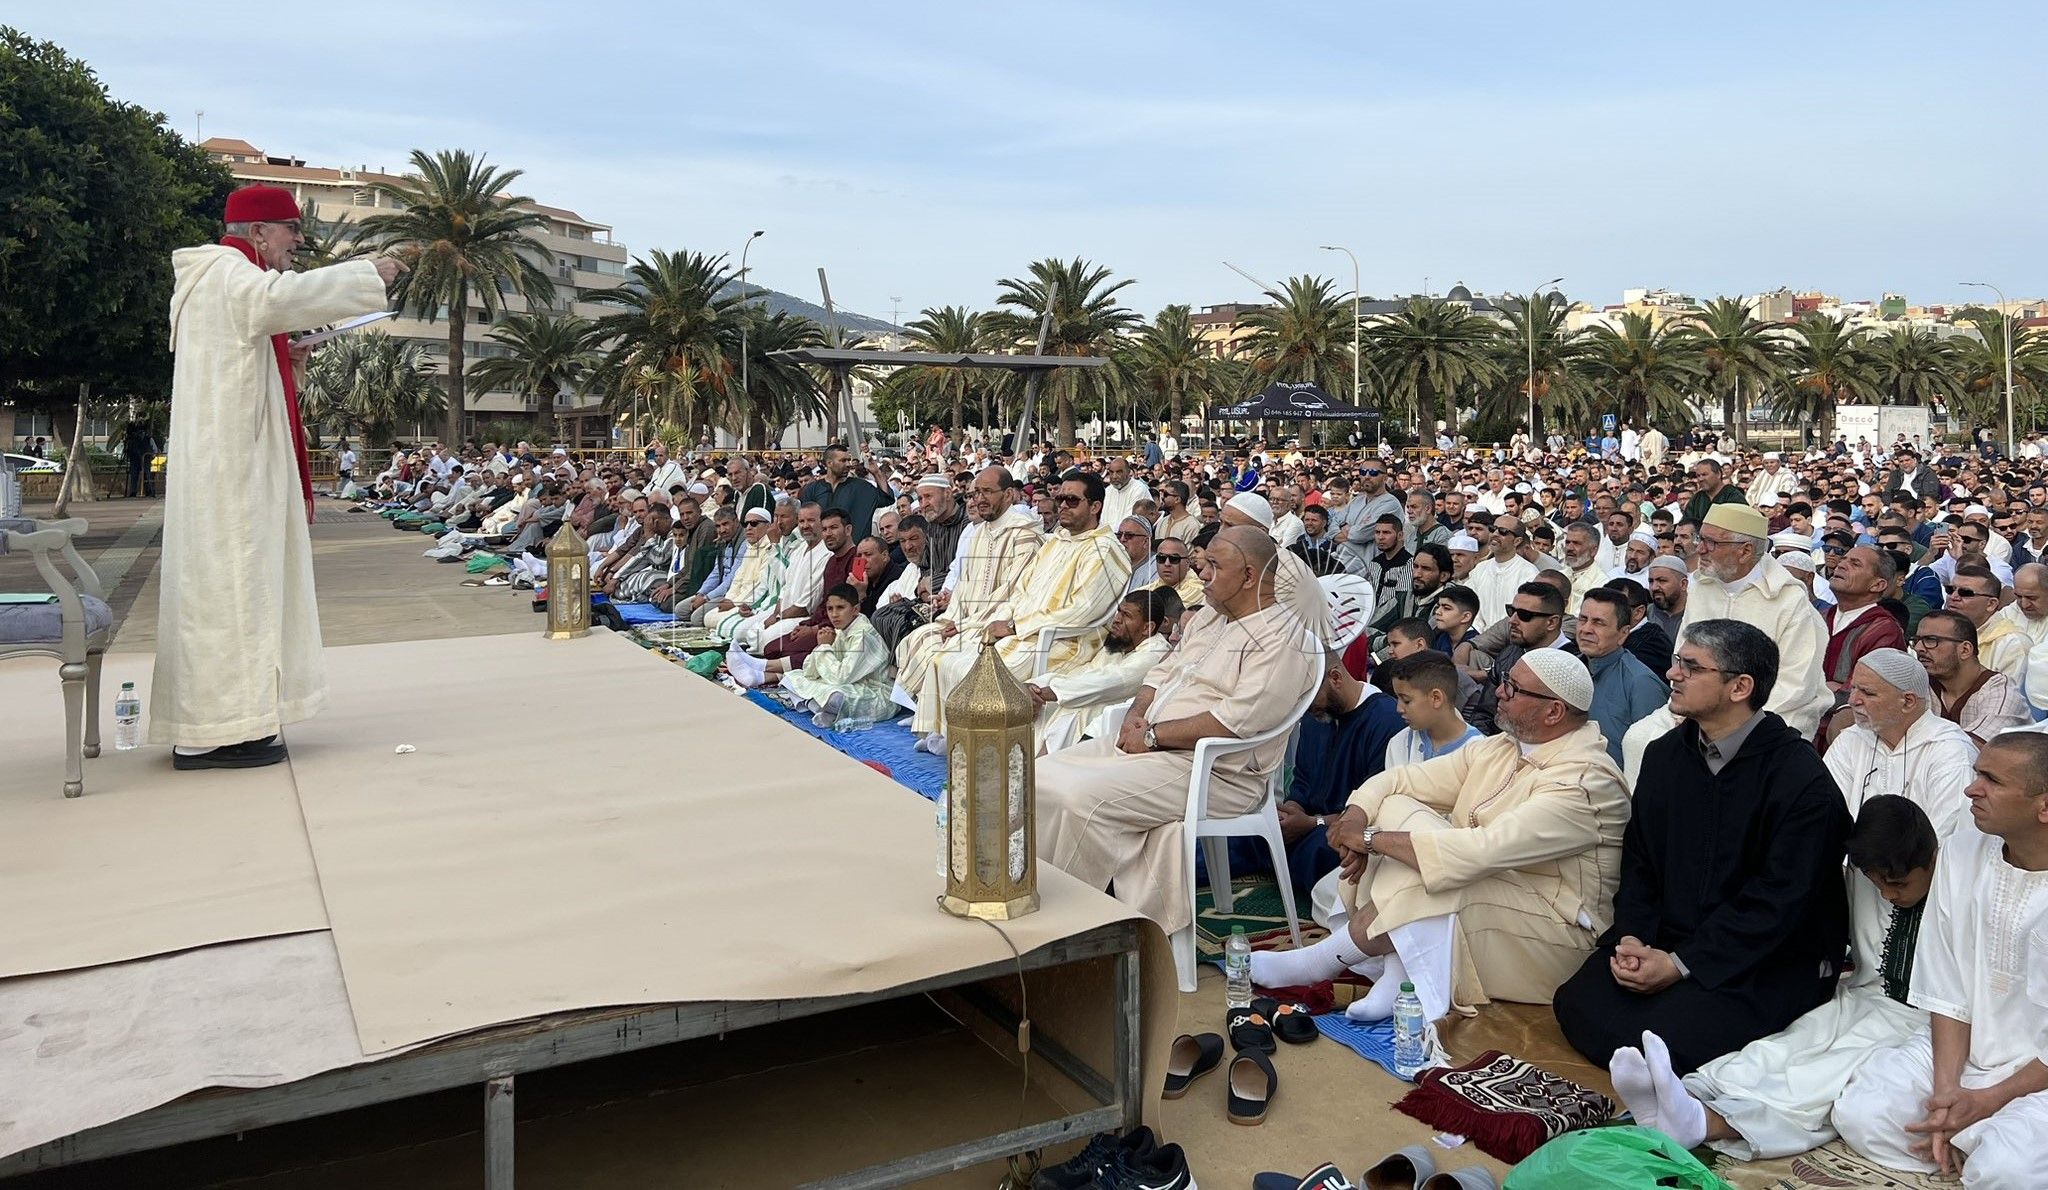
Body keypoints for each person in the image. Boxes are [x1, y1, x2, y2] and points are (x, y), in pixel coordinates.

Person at [151, 184, 403, 768]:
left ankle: (240, 721)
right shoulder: (225, 272)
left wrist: (286, 360)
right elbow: (277, 300)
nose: (299, 242)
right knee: (231, 592)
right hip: (229, 472)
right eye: (292, 230)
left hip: (233, 461)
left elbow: (252, 344)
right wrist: (368, 272)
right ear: (259, 232)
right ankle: (208, 733)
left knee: (246, 590)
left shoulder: (227, 278)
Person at [1254, 647, 1630, 1022]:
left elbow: (1481, 851)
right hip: (1495, 891)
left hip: (1554, 934)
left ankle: (1320, 962)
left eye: (1513, 689)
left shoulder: (1585, 782)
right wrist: (1355, 817)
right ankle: (1401, 971)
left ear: (1553, 711)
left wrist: (1370, 840)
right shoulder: (1503, 747)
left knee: (1444, 874)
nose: (1497, 692)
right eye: (1504, 682)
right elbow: (1401, 779)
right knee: (1400, 807)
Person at [1553, 620, 1852, 1076]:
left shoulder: (1800, 781)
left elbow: (1781, 901)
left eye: (1691, 667)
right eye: (1677, 662)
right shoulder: (1666, 755)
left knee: (1664, 1043)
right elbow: (1641, 864)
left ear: (1740, 687)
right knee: (1578, 1004)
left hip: (1763, 957)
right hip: (1668, 938)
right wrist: (1633, 937)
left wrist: (1682, 965)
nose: (1672, 675)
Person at [1613, 796, 1940, 1161]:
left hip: (1923, 1019)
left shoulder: (1958, 894)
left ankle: (1708, 1124)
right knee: (1783, 1047)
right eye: (1877, 884)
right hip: (1862, 996)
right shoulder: (1863, 877)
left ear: (1932, 858)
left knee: (1822, 1076)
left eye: (1897, 884)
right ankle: (1682, 1103)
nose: (1888, 894)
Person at [1035, 527, 1321, 937]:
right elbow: (1162, 671)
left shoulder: (1284, 639)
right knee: (1038, 775)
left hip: (1216, 772)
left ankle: (1067, 930)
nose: (1201, 574)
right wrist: (1138, 713)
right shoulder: (1211, 615)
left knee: (1079, 800)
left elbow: (1233, 722)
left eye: (1214, 566)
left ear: (1249, 576)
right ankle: (1034, 897)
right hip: (1154, 746)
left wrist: (1152, 736)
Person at [1832, 732, 2048, 1185]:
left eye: (1990, 780)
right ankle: (1965, 1143)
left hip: (2040, 1076)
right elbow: (1947, 990)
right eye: (1976, 774)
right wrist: (1949, 1091)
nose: (1973, 788)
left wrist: (1990, 1099)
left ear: (2044, 807)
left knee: (2004, 1170)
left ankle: (1981, 1147)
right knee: (1862, 1113)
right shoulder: (1962, 852)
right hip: (1967, 1052)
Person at [910, 470, 1129, 752]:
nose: (1062, 505)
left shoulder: (1105, 549)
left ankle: (983, 748)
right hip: (1025, 630)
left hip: (1065, 641)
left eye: (1072, 501)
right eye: (1060, 498)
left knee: (979, 673)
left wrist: (1014, 627)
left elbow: (1083, 611)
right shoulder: (1056, 541)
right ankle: (952, 735)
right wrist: (1000, 619)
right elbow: (1022, 591)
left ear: (1095, 506)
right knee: (946, 657)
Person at [1620, 504, 1829, 782]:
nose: (1700, 549)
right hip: (1701, 705)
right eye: (1700, 540)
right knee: (1638, 739)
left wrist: (1728, 719)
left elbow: (1795, 685)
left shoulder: (1790, 601)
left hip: (1769, 713)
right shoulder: (1702, 587)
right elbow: (1682, 656)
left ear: (1744, 550)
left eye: (1711, 542)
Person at [1239, 645, 1405, 906]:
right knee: (1249, 830)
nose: (1304, 710)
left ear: (1336, 678)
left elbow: (1378, 808)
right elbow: (1303, 782)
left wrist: (1311, 823)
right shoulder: (1316, 717)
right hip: (1306, 824)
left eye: (1307, 699)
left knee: (1325, 848)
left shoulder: (1387, 720)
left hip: (1341, 831)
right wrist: (1290, 812)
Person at [897, 467, 1045, 742]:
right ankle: (935, 720)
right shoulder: (978, 533)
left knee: (949, 657)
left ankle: (955, 732)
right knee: (917, 638)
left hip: (998, 620)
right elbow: (965, 584)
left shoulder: (1024, 534)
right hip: (969, 618)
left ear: (1009, 494)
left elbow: (1013, 591)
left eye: (987, 491)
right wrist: (951, 618)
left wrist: (968, 624)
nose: (979, 499)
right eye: (977, 492)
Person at [1824, 649, 1978, 839]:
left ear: (1908, 701)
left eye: (1867, 693)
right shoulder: (1850, 740)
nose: (1852, 700)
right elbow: (1827, 816)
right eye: (1854, 688)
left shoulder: (1951, 751)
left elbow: (1945, 837)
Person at [1028, 587, 1179, 754]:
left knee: (1073, 711)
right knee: (1043, 698)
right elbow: (1086, 673)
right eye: (1119, 612)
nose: (1117, 620)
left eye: (1126, 616)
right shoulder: (1121, 642)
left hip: (1121, 718)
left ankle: (1041, 766)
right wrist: (1037, 688)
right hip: (1097, 698)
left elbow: (1108, 681)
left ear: (1147, 628)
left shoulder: (1154, 654)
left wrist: (1049, 692)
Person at [730, 585, 895, 729]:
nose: (834, 614)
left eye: (840, 607)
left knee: (835, 696)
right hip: (853, 684)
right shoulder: (843, 629)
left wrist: (824, 647)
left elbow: (841, 677)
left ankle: (823, 708)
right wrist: (821, 646)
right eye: (830, 609)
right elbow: (810, 671)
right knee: (793, 676)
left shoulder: (863, 634)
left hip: (878, 695)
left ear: (855, 610)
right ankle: (759, 674)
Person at [1570, 587, 1669, 763]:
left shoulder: (1641, 683)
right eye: (1583, 619)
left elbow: (1652, 755)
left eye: (1598, 623)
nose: (1586, 629)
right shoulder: (1568, 669)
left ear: (1623, 634)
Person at [1918, 609, 2033, 744]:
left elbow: (1972, 749)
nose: (1918, 648)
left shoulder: (2000, 690)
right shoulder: (1920, 683)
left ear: (1965, 650)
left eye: (1931, 640)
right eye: (1917, 640)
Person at [1465, 514, 1539, 633]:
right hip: (1477, 636)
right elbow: (1469, 605)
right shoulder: (1480, 569)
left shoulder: (1528, 573)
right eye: (1493, 529)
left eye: (1503, 532)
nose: (1495, 534)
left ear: (1517, 541)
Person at [121, 414, 158, 498]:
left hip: (145, 458)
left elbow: (154, 449)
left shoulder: (148, 438)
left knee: (146, 474)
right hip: (136, 458)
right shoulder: (135, 438)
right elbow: (154, 449)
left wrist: (151, 455)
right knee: (136, 474)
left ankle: (149, 491)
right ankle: (140, 491)